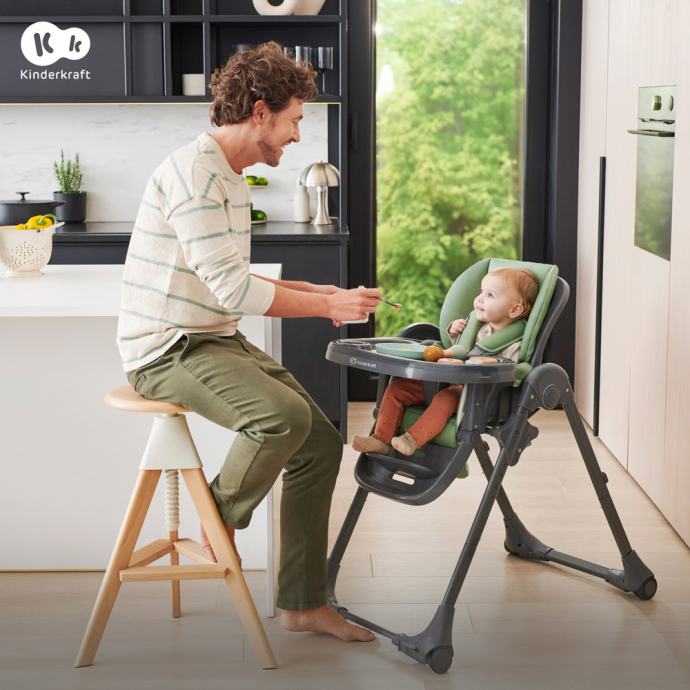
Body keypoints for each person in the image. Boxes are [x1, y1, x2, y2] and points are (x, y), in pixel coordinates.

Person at [117, 42, 380, 642]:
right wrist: (326, 307)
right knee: (283, 417)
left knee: (320, 443)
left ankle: (301, 603)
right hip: (165, 349)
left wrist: (315, 289)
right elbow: (234, 290)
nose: (297, 135)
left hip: (210, 337)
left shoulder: (230, 175)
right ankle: (218, 518)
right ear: (259, 112)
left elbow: (228, 278)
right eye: (294, 120)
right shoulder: (194, 174)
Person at [352, 267, 539, 457]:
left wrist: (490, 362)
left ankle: (411, 440)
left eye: (490, 295)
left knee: (446, 398)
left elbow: (513, 369)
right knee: (397, 389)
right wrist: (454, 333)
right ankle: (380, 439)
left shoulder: (513, 343)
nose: (480, 299)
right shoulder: (476, 327)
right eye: (481, 292)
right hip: (443, 381)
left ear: (515, 309)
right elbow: (456, 349)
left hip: (474, 395)